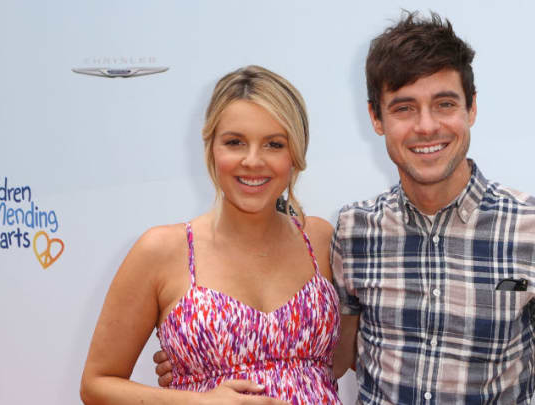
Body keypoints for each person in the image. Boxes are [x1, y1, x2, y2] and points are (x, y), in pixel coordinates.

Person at [156, 11, 535, 405]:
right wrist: (203, 360)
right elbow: (326, 357)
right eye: (404, 108)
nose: (426, 126)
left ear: (472, 107)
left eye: (445, 103)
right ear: (376, 118)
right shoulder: (353, 230)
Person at [80, 65, 342, 405]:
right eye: (235, 142)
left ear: (295, 154)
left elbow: (344, 356)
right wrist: (199, 400)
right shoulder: (161, 251)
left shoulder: (319, 240)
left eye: (273, 144)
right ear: (211, 148)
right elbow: (97, 384)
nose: (252, 160)